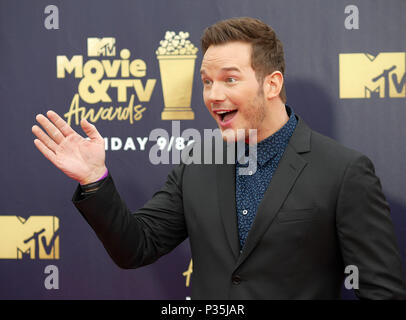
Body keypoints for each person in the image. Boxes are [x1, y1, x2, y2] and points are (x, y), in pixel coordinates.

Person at [32, 17, 406, 299]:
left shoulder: (344, 172)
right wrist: (94, 179)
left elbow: (382, 292)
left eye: (229, 79)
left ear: (271, 84)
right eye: (207, 81)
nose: (212, 95)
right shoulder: (198, 163)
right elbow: (137, 247)